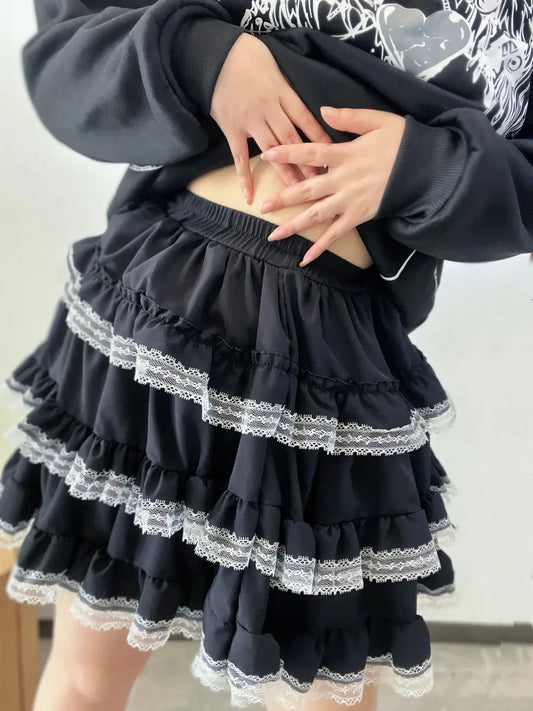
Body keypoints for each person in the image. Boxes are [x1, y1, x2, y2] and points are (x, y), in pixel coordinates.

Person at [3, 1, 532, 709]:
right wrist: (203, 55)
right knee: (86, 676)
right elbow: (72, 43)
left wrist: (422, 167)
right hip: (164, 314)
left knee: (327, 692)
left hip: (337, 363)